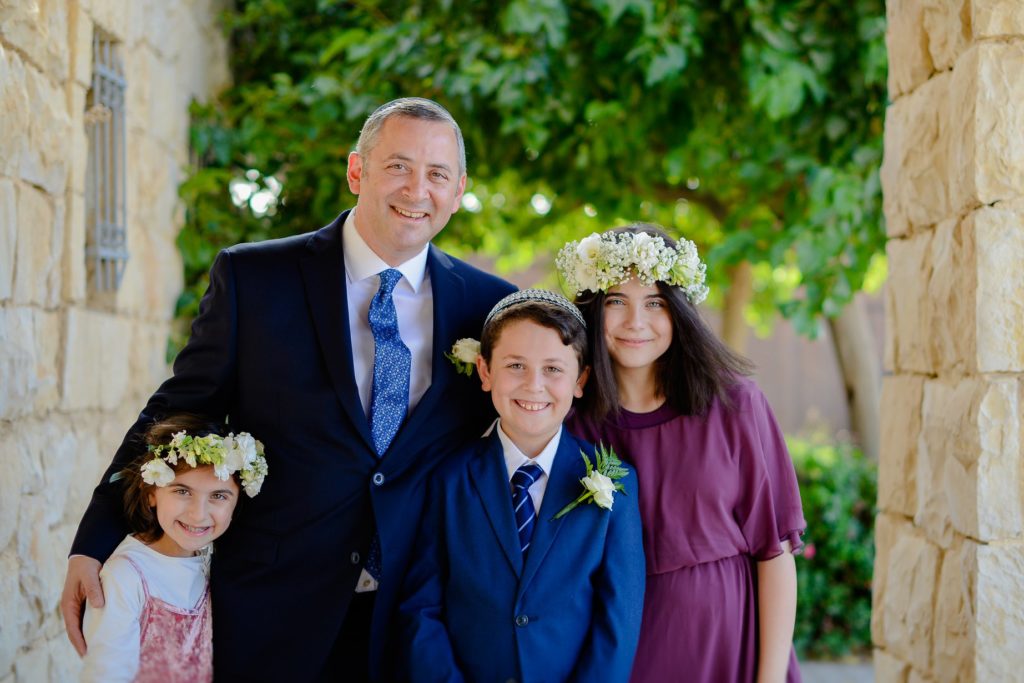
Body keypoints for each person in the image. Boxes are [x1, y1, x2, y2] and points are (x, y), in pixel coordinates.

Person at [61, 97, 516, 681]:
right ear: (357, 171)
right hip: (273, 610)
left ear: (458, 191)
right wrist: (93, 539)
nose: (417, 189)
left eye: (437, 175)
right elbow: (179, 408)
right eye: (398, 166)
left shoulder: (488, 308)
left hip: (416, 617)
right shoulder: (255, 278)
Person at [560, 224, 806, 683]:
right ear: (593, 310)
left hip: (730, 646)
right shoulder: (571, 421)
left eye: (654, 302)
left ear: (679, 312)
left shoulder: (736, 406)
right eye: (616, 301)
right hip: (620, 652)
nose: (636, 321)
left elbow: (774, 555)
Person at [399, 289, 645, 682]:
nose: (533, 385)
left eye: (553, 369)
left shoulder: (616, 485)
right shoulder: (447, 479)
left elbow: (619, 621)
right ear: (485, 371)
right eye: (516, 365)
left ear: (580, 380)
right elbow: (421, 608)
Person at [80, 414, 269, 683]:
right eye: (182, 491)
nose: (197, 514)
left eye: (218, 496)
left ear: (236, 503)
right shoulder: (126, 576)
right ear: (151, 493)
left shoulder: (217, 564)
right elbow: (105, 675)